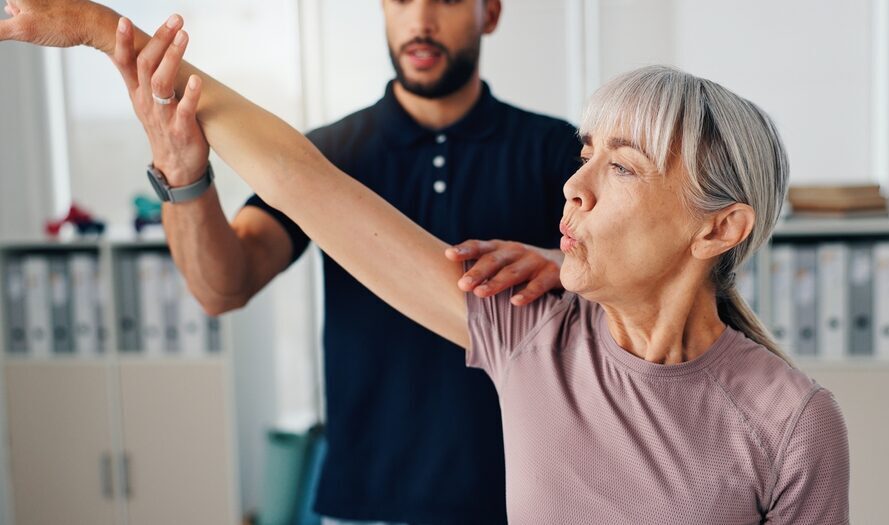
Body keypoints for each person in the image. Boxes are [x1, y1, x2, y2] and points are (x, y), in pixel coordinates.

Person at [4, 7, 852, 525]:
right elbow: (298, 180)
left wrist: (571, 265)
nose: (574, 181)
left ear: (719, 229)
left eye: (620, 166)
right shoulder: (529, 337)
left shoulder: (789, 424)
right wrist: (93, 26)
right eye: (586, 154)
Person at [0, 1, 579, 523]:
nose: (420, 20)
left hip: (518, 497)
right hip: (365, 500)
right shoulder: (328, 155)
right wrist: (182, 175)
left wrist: (566, 261)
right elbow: (221, 287)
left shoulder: (561, 155)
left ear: (491, 13)